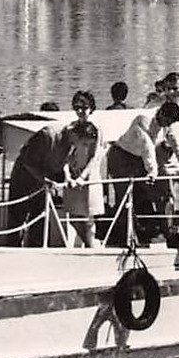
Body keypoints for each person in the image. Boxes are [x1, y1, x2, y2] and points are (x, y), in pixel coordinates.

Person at [107, 101, 179, 246]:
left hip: (142, 160)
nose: (166, 126)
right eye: (165, 121)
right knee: (125, 197)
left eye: (169, 124)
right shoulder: (143, 119)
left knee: (163, 194)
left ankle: (171, 235)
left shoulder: (168, 126)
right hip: (121, 157)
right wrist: (152, 171)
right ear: (161, 113)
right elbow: (147, 145)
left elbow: (177, 146)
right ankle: (129, 238)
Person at [9, 114, 67, 247]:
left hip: (42, 184)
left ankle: (37, 247)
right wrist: (44, 179)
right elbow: (27, 161)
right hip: (24, 179)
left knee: (39, 219)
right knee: (17, 217)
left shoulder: (70, 144)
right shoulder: (47, 135)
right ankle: (13, 250)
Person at [56, 90, 101, 247]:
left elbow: (95, 157)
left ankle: (91, 247)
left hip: (89, 177)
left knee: (88, 218)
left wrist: (83, 177)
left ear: (91, 108)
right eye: (77, 108)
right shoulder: (70, 129)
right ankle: (91, 245)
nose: (81, 111)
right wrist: (68, 175)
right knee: (74, 216)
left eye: (84, 107)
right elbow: (66, 155)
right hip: (73, 176)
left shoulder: (97, 129)